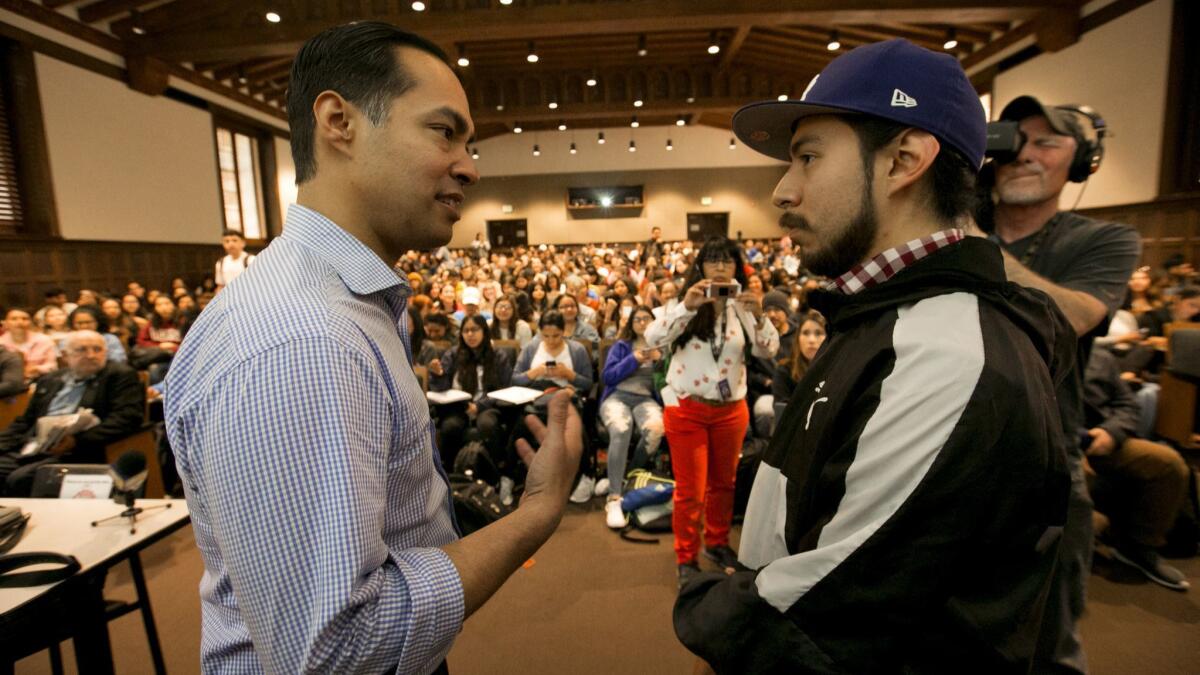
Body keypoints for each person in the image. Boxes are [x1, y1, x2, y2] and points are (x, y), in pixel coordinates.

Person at [164, 23, 581, 674]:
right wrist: (537, 511)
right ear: (339, 122)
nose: (470, 166)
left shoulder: (345, 305)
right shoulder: (302, 338)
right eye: (445, 131)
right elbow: (337, 653)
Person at [673, 40, 1073, 672]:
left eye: (807, 158)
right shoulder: (881, 315)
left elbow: (825, 620)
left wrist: (703, 612)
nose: (783, 190)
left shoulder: (948, 356)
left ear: (903, 162)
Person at [984, 95, 1142, 673]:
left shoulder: (1103, 241)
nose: (1024, 155)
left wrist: (965, 246)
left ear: (1081, 164)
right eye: (1012, 141)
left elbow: (1074, 315)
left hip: (1044, 460)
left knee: (1049, 647)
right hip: (946, 453)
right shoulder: (959, 220)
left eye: (1047, 143)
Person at [646, 236, 778, 585]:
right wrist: (686, 307)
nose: (720, 267)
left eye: (727, 261)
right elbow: (652, 338)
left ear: (737, 267)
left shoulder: (743, 307)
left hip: (731, 410)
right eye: (712, 260)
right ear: (701, 267)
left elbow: (768, 351)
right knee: (690, 490)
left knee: (724, 483)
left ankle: (716, 542)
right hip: (688, 409)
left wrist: (760, 315)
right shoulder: (683, 303)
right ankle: (686, 557)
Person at [1082, 346, 1190, 591]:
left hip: (1102, 441)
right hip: (1057, 443)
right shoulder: (1032, 348)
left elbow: (1127, 404)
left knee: (1167, 463)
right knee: (1078, 478)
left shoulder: (1100, 356)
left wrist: (1111, 432)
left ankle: (1138, 545)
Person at [0, 330, 144, 496]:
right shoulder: (50, 380)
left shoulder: (119, 375)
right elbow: (25, 421)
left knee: (19, 479)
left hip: (78, 450)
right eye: (82, 350)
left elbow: (126, 418)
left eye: (97, 349)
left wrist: (76, 441)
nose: (91, 355)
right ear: (64, 355)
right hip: (32, 447)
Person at [512, 310, 596, 502]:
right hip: (536, 398)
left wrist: (568, 374)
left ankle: (586, 475)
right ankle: (510, 476)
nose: (551, 340)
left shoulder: (576, 349)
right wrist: (535, 372)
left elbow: (589, 383)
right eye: (546, 336)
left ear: (564, 331)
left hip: (565, 396)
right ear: (540, 332)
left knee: (576, 429)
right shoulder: (532, 347)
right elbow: (515, 378)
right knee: (519, 427)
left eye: (556, 336)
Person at [598, 305, 664, 528]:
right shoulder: (621, 346)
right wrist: (633, 359)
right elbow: (608, 376)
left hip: (646, 400)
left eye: (647, 319)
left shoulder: (662, 348)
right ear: (631, 324)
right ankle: (614, 497)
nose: (643, 323)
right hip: (618, 397)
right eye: (638, 319)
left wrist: (659, 361)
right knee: (621, 428)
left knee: (656, 429)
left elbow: (670, 380)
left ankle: (625, 476)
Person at [428, 314, 515, 470]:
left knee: (487, 424)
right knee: (450, 427)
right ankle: (449, 473)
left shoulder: (498, 356)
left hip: (488, 405)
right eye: (466, 330)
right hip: (458, 407)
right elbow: (441, 389)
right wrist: (437, 374)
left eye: (474, 330)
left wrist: (479, 406)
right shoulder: (453, 354)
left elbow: (505, 388)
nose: (470, 334)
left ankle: (496, 472)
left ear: (484, 331)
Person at [0, 308, 57, 380]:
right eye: (14, 319)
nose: (19, 322)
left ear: (31, 322)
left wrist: (37, 369)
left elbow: (53, 366)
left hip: (40, 380)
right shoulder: (1, 343)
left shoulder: (44, 340)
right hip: (8, 383)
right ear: (5, 323)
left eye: (25, 319)